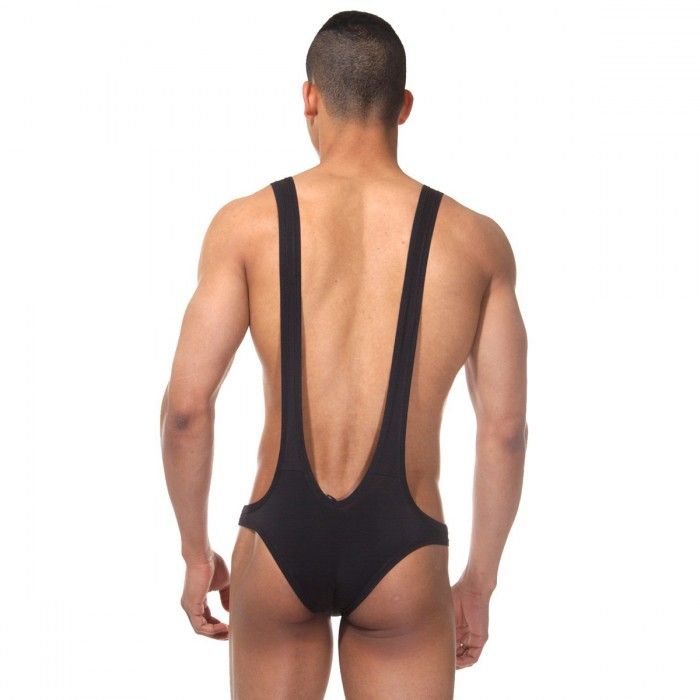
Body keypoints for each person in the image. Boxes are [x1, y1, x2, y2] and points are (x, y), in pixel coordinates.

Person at [160, 10, 527, 699]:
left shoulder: (246, 225)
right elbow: (503, 432)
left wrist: (193, 551)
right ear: (404, 106)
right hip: (405, 548)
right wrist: (479, 582)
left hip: (279, 538)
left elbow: (185, 409)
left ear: (310, 96)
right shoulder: (477, 243)